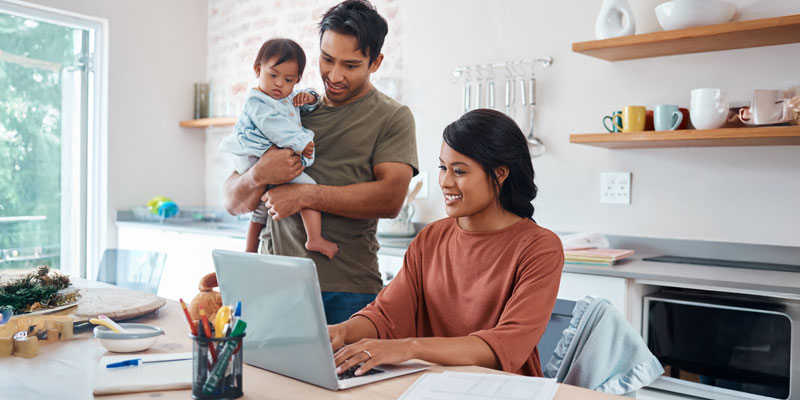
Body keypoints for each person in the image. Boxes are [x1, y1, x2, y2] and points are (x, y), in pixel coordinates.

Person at [222, 0, 418, 324]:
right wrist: (259, 174)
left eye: (351, 65)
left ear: (376, 62)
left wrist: (305, 195)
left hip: (349, 291)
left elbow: (391, 199)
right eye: (327, 60)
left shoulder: (392, 117)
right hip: (274, 283)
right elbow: (232, 200)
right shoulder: (285, 109)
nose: (335, 75)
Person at [328, 109, 564, 377]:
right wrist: (341, 331)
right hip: (429, 384)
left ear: (499, 174)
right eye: (443, 167)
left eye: (460, 171)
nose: (445, 182)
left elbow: (506, 345)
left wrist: (411, 348)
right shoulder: (431, 238)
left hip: (503, 388)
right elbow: (386, 314)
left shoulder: (540, 247)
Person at [219, 38, 338, 260]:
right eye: (273, 75)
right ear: (258, 69)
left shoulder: (286, 96)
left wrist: (309, 97)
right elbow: (274, 126)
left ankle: (249, 251)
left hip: (259, 156)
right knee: (308, 186)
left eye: (288, 79)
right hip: (253, 155)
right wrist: (300, 143)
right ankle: (315, 238)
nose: (279, 84)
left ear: (297, 80)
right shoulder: (258, 100)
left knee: (262, 206)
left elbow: (305, 102)